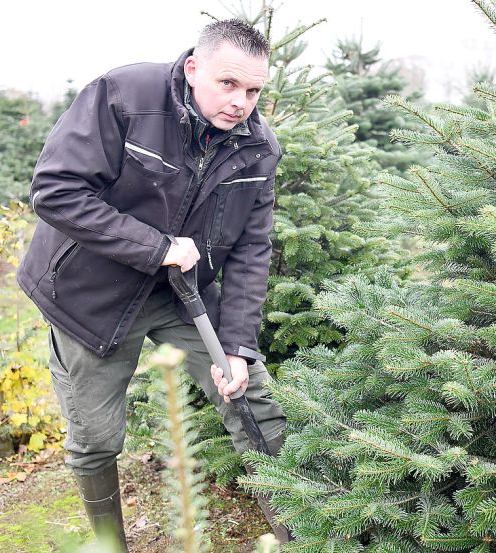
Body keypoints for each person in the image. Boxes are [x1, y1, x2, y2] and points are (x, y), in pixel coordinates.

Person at [17, 19, 291, 549]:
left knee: (252, 403)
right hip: (89, 295)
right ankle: (108, 544)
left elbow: (253, 249)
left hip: (181, 297)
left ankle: (302, 532)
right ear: (193, 69)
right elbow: (55, 191)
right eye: (228, 84)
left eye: (253, 90)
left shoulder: (258, 148)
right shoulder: (124, 96)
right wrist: (157, 247)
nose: (241, 102)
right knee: (96, 439)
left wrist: (236, 346)